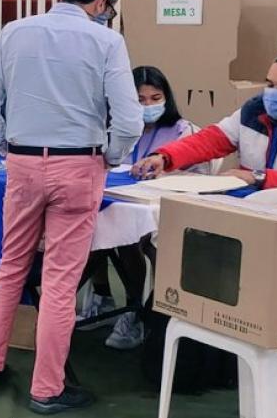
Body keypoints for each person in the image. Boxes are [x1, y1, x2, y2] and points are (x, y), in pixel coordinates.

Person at [0, 0, 142, 414]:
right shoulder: (107, 41)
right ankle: (47, 388)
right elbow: (128, 119)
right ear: (101, 3)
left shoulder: (14, 31)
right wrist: (114, 157)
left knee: (10, 267)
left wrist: (10, 147)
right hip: (78, 163)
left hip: (24, 161)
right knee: (60, 283)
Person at [83, 65, 206, 351]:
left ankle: (137, 312)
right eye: (139, 99)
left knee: (134, 241)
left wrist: (168, 172)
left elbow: (199, 175)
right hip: (121, 200)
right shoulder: (112, 127)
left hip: (165, 210)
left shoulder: (181, 130)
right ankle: (109, 300)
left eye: (155, 97)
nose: (149, 105)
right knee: (100, 231)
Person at [133, 52, 277, 192]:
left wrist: (260, 178)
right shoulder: (253, 111)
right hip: (249, 204)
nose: (273, 94)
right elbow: (210, 141)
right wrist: (164, 157)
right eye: (270, 85)